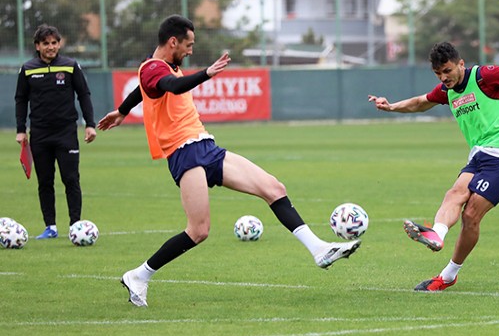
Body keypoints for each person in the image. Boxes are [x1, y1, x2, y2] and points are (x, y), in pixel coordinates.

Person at [97, 15, 360, 307]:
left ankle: (319, 249)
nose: (190, 51)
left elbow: (145, 89)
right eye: (188, 44)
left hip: (205, 146)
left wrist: (122, 110)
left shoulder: (159, 67)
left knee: (274, 188)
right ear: (173, 42)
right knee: (199, 231)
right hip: (183, 153)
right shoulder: (155, 69)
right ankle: (139, 275)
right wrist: (207, 73)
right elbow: (171, 86)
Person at [368, 42, 499, 291]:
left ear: (460, 64)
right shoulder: (447, 91)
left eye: (447, 71)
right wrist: (391, 106)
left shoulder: (484, 76)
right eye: (438, 73)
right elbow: (419, 102)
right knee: (454, 193)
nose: (443, 77)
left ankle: (448, 275)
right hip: (479, 156)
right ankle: (436, 234)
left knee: (470, 216)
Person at [14, 24, 97, 240]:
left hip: (66, 133)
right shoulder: (28, 69)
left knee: (71, 179)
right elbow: (21, 100)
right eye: (46, 43)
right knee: (45, 181)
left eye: (54, 43)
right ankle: (50, 226)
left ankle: (75, 226)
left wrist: (90, 124)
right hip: (39, 134)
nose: (51, 47)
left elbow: (84, 94)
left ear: (59, 44)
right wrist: (21, 130)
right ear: (37, 46)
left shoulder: (70, 66)